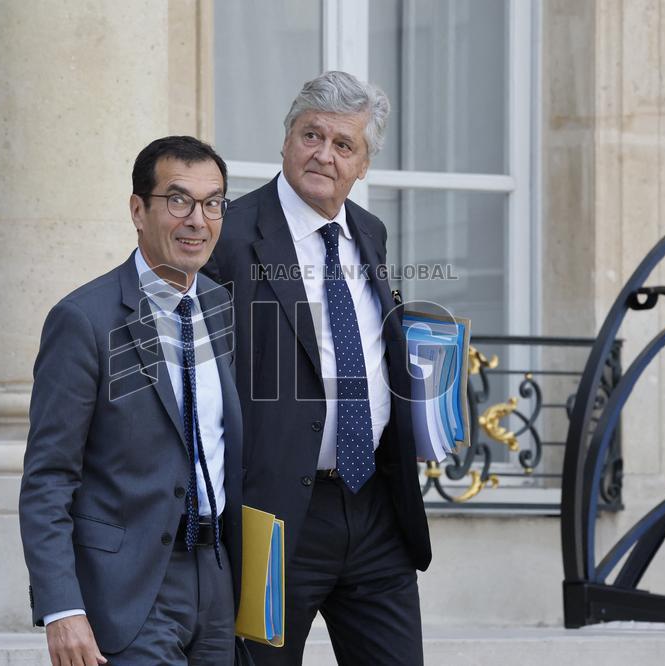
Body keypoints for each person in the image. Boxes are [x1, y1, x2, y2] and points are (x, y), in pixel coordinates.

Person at [203, 71, 432, 665]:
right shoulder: (228, 236)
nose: (323, 155)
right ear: (285, 141)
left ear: (363, 166)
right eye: (311, 135)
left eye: (343, 145)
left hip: (375, 508)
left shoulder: (370, 234)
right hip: (273, 518)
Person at [19, 136, 245, 665]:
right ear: (138, 210)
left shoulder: (222, 306)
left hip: (216, 577)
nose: (197, 219)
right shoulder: (83, 319)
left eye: (213, 203)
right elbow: (49, 476)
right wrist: (61, 607)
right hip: (128, 589)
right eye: (178, 200)